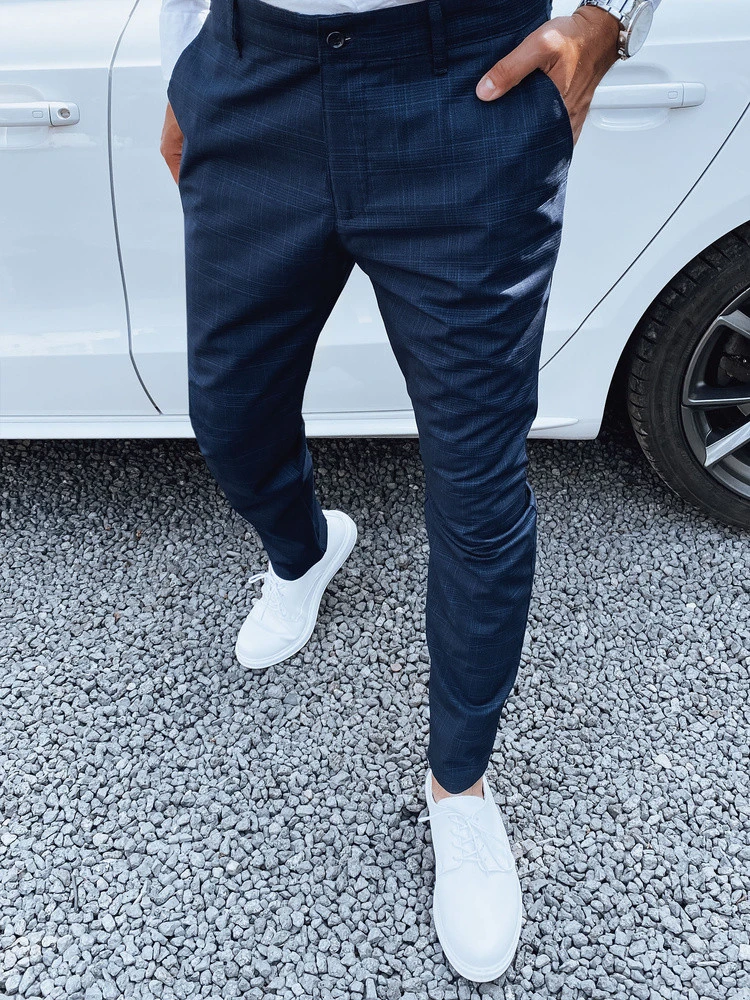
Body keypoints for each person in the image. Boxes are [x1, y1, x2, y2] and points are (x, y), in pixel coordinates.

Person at [159, 0, 661, 982]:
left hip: (465, 79)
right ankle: (305, 551)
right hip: (253, 72)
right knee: (228, 410)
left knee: (478, 482)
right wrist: (188, 63)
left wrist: (615, 14)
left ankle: (460, 787)